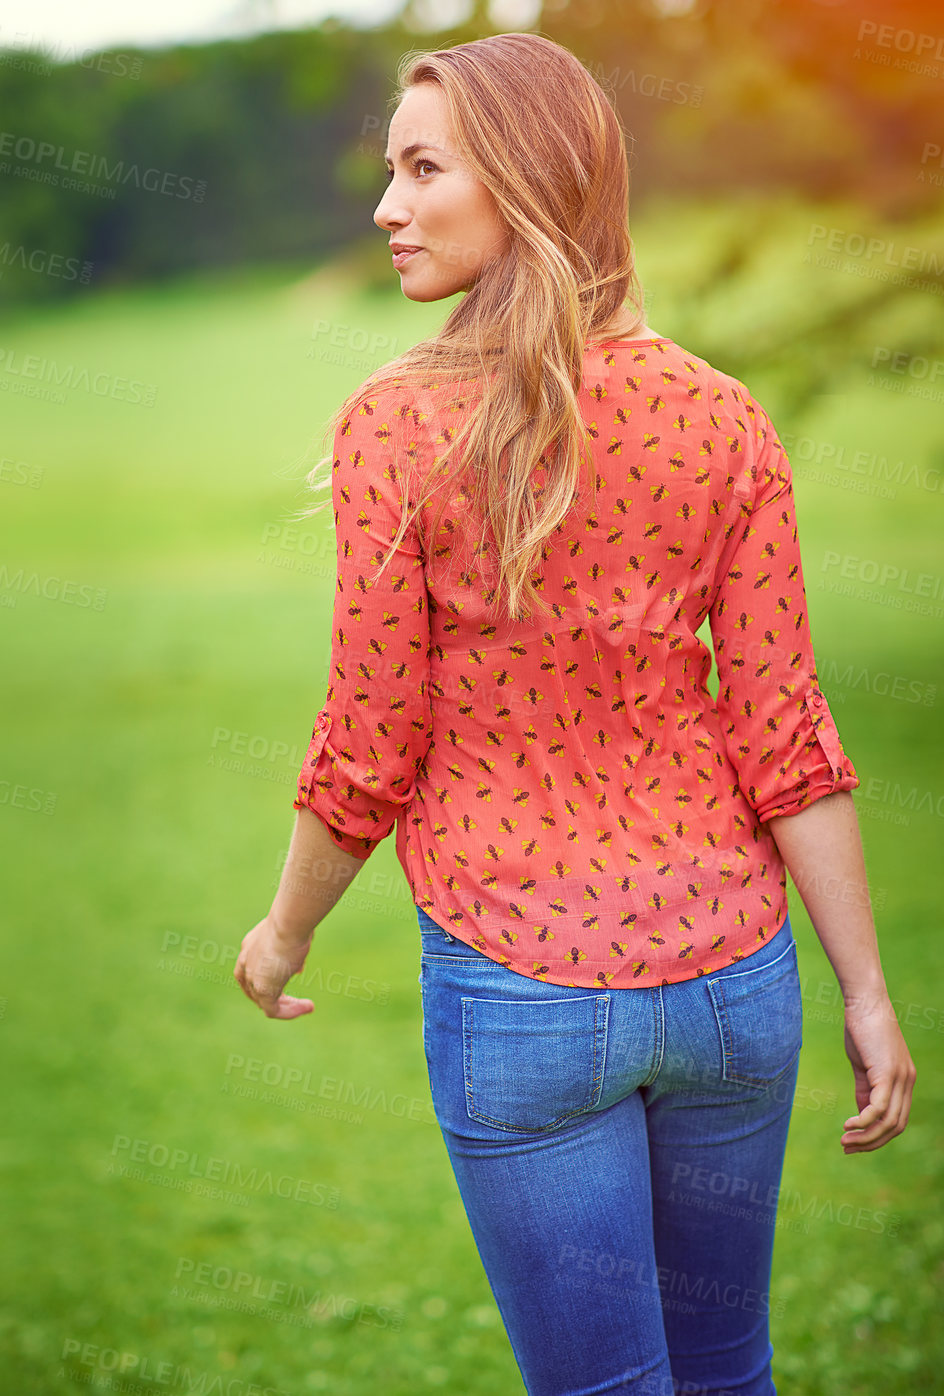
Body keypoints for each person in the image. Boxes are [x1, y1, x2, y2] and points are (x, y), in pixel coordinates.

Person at [233, 32, 916, 1396]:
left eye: (424, 169)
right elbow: (785, 728)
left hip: (520, 987)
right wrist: (866, 991)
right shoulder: (723, 419)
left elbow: (371, 745)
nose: (386, 207)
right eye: (388, 171)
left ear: (528, 181)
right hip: (737, 988)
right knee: (729, 1369)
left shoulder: (396, 425)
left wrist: (283, 930)